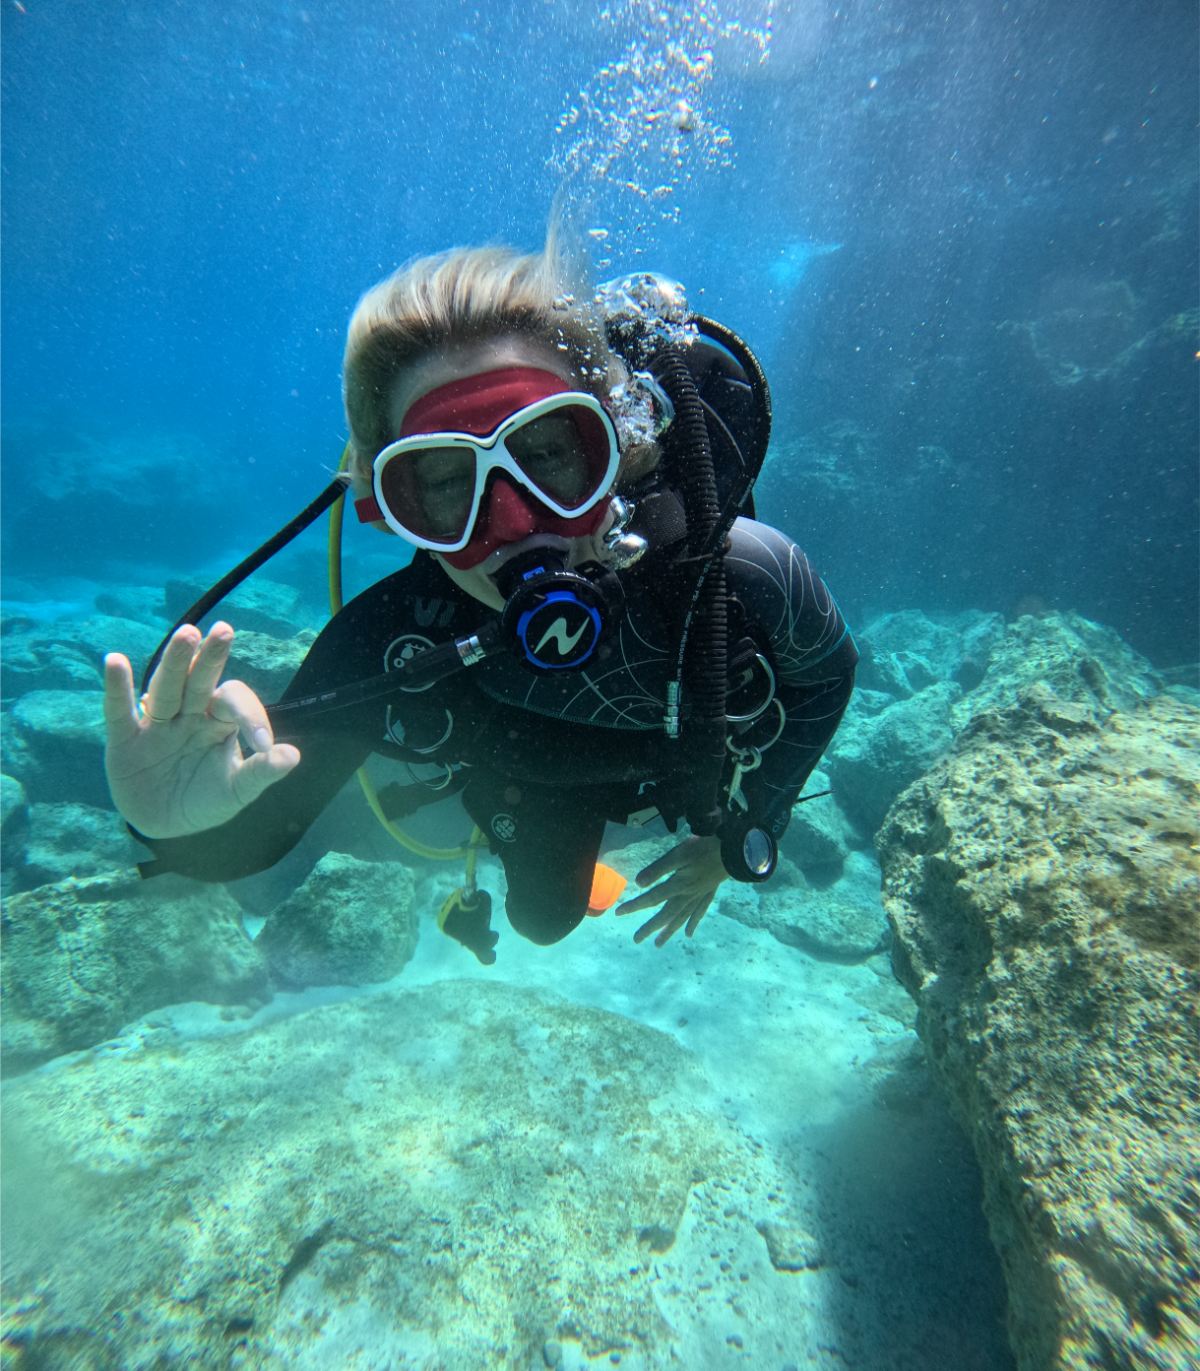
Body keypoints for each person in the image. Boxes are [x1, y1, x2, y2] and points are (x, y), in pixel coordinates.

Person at [103, 234, 857, 959]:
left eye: (552, 454)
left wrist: (748, 827)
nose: (513, 523)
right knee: (541, 922)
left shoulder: (745, 574)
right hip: (534, 786)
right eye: (443, 482)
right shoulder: (400, 639)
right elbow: (263, 825)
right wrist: (168, 822)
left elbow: (830, 672)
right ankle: (498, 821)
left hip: (684, 770)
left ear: (618, 448)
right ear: (388, 510)